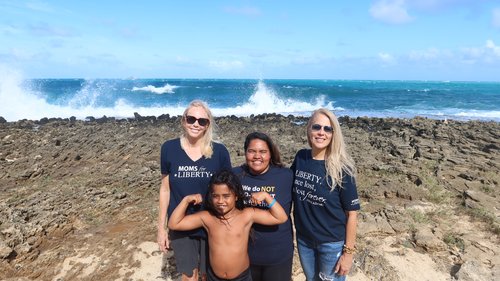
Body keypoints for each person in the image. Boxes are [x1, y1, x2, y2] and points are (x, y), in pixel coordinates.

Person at [168, 169, 288, 281]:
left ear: (236, 196)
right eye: (215, 196)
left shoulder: (247, 215)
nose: (220, 201)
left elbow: (280, 217)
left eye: (226, 196)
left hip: (242, 277)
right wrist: (186, 200)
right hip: (214, 277)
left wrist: (267, 197)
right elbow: (174, 224)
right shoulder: (207, 217)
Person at [157, 100, 232, 281]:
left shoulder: (219, 151)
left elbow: (228, 190)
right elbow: (165, 189)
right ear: (184, 121)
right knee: (189, 275)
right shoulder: (169, 148)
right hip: (180, 223)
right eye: (191, 119)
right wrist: (161, 228)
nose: (196, 124)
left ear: (208, 125)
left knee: (208, 275)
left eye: (202, 121)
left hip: (211, 222)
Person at [291, 108, 360, 281]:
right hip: (304, 240)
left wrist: (348, 254)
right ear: (309, 130)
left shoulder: (342, 168)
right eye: (317, 127)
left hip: (331, 244)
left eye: (327, 129)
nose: (321, 133)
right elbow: (285, 186)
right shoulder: (301, 157)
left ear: (333, 134)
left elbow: (352, 214)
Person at [232, 132, 293, 281]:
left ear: (270, 154)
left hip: (278, 254)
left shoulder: (286, 175)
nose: (257, 156)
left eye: (263, 152)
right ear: (245, 152)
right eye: (252, 151)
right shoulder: (235, 175)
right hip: (245, 256)